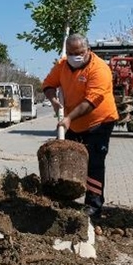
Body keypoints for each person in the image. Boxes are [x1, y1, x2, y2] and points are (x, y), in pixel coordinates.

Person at [42, 34, 119, 218]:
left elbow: (91, 102)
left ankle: (93, 205)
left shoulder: (99, 69)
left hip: (99, 121)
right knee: (68, 159)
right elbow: (48, 84)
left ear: (88, 51)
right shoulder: (61, 66)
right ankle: (65, 199)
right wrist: (53, 100)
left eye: (80, 52)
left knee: (94, 162)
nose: (75, 56)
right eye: (71, 53)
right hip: (74, 123)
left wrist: (68, 118)